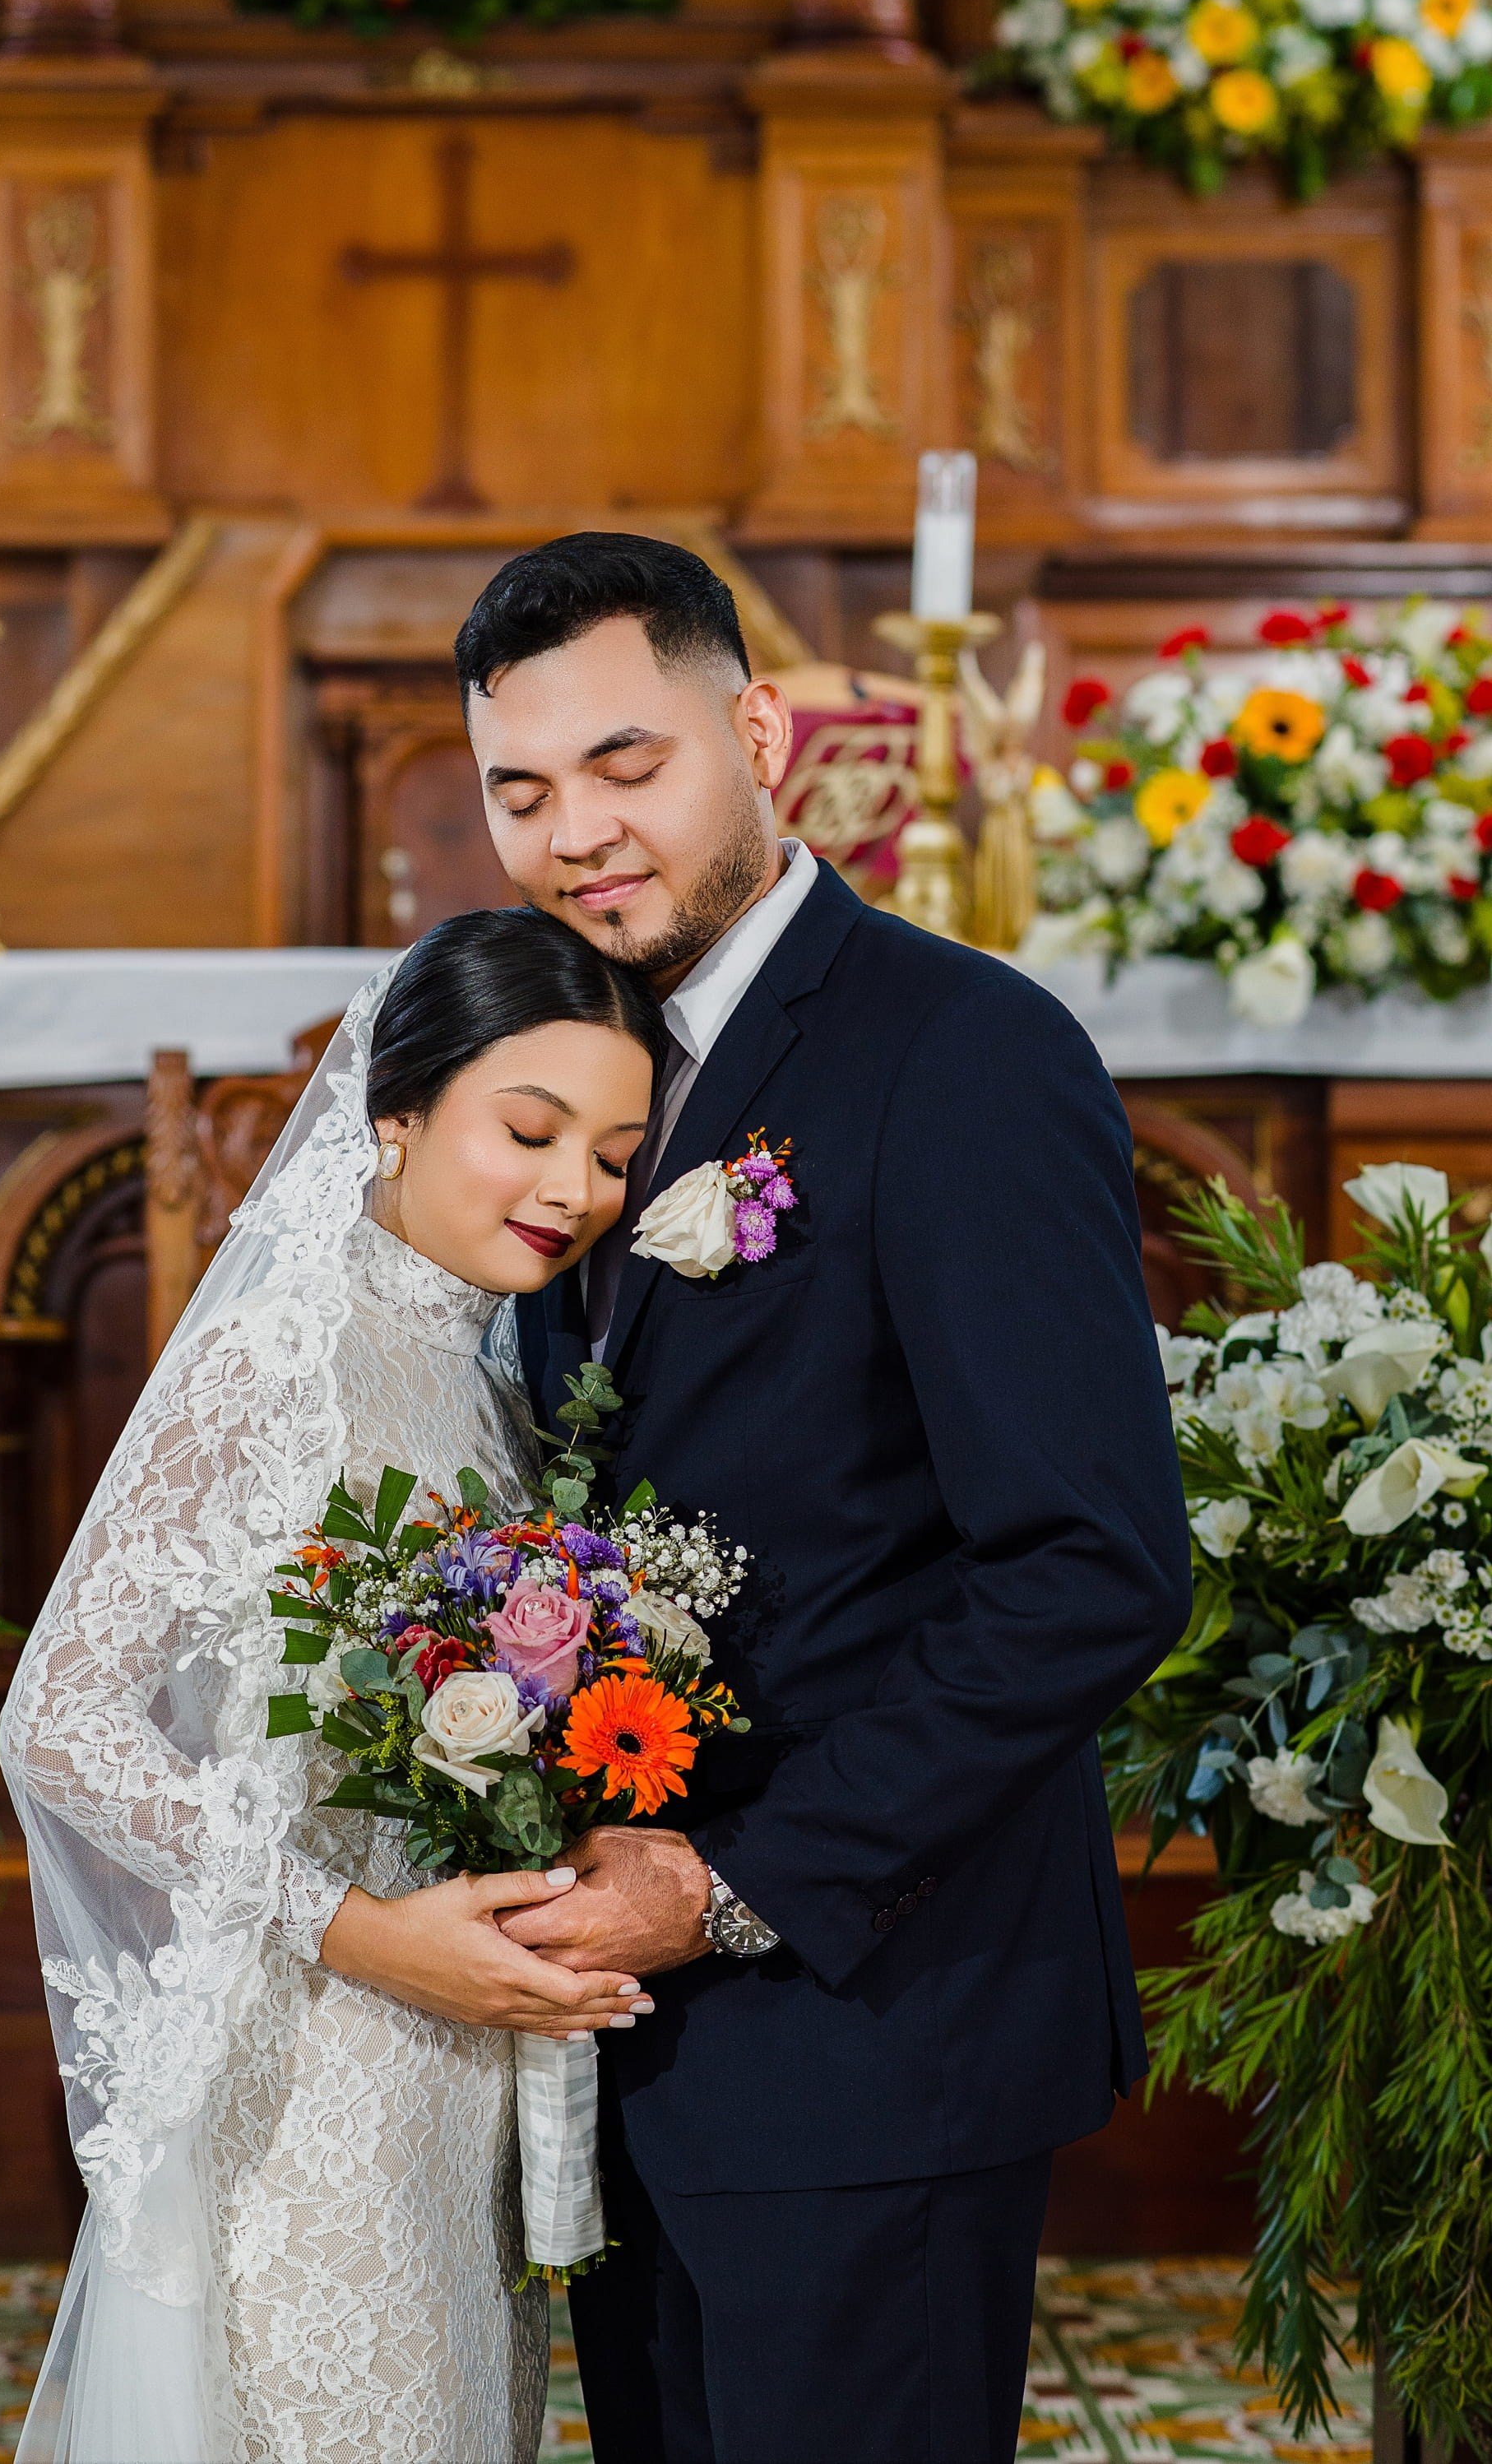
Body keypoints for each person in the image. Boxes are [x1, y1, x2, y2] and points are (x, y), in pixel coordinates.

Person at [452, 532, 1193, 2464]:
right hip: (626, 2032)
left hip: (881, 2010)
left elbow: (1089, 1565)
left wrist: (722, 1885)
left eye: (629, 764)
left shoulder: (960, 1049)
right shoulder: (565, 1067)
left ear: (757, 728)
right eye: (520, 792)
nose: (576, 834)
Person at [0, 908, 670, 2464]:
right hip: (318, 2069)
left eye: (617, 1152)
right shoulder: (280, 1356)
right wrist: (355, 1930)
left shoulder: (491, 1371)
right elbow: (59, 1718)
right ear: (395, 1112)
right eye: (530, 1130)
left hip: (460, 2067)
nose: (575, 1190)